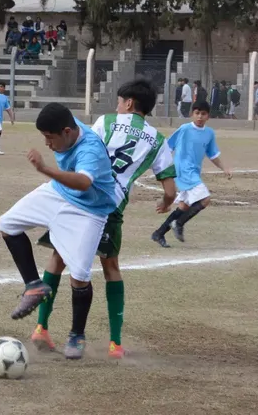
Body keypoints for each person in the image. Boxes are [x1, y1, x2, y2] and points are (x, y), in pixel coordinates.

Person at [32, 80, 178, 359]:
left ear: (129, 104)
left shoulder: (105, 122)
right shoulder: (159, 140)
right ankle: (115, 344)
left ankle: (41, 327)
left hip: (77, 196)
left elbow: (79, 148)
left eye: (119, 101)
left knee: (59, 258)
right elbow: (171, 190)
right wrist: (165, 202)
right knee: (110, 267)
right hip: (110, 205)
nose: (117, 106)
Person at [0, 103, 119, 360]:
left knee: (80, 275)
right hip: (58, 192)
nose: (47, 144)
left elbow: (84, 183)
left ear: (67, 132)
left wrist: (44, 169)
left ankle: (76, 334)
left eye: (50, 138)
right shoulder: (68, 123)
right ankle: (33, 285)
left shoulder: (90, 150)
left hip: (89, 210)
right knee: (7, 224)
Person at [151, 101, 231, 248]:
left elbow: (212, 155)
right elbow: (168, 146)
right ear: (191, 114)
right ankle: (179, 223)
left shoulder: (209, 133)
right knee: (205, 199)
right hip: (183, 170)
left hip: (194, 171)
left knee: (184, 206)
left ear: (208, 116)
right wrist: (162, 166)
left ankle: (159, 233)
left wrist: (223, 168)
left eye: (203, 114)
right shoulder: (184, 129)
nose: (200, 116)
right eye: (197, 113)